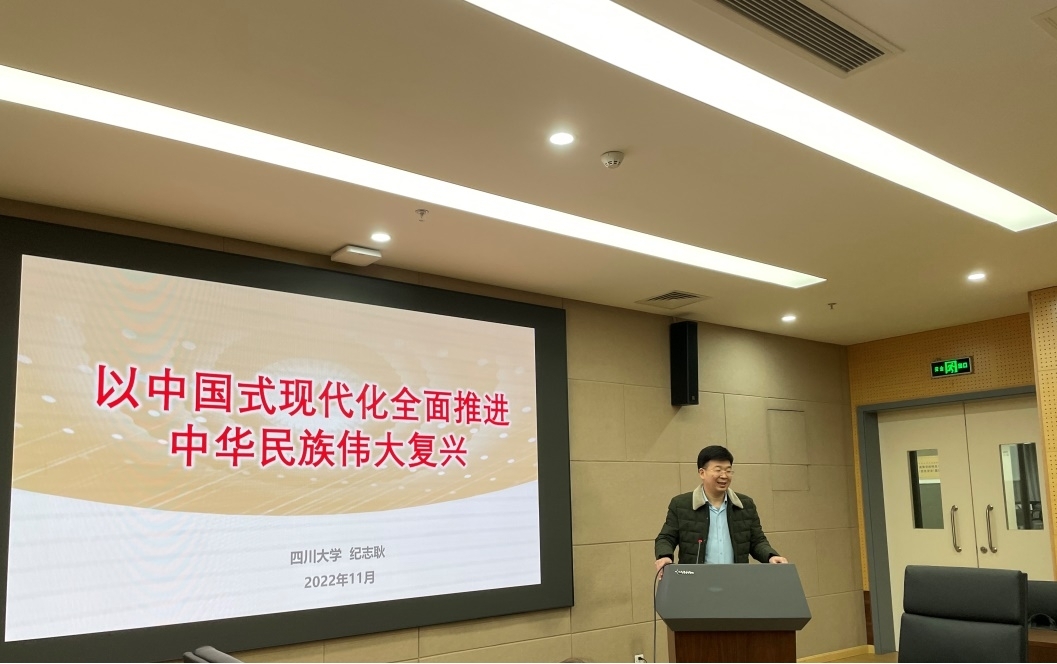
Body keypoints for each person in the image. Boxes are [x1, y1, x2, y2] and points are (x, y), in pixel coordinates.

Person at [655, 445, 788, 576]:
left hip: (736, 579)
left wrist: (770, 556)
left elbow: (757, 541)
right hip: (696, 581)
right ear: (702, 473)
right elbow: (666, 538)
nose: (724, 476)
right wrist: (665, 556)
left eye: (728, 470)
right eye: (718, 470)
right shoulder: (681, 505)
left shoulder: (745, 505)